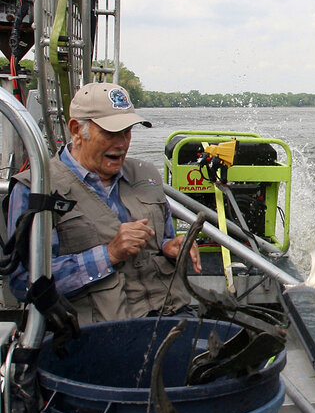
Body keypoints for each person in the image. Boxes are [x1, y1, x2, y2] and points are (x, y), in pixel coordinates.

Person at [6, 82, 201, 324]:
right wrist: (108, 254)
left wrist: (171, 247)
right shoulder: (36, 188)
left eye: (127, 132)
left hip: (171, 317)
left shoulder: (145, 174)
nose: (122, 144)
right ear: (77, 130)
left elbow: (162, 240)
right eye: (110, 133)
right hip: (95, 335)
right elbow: (24, 282)